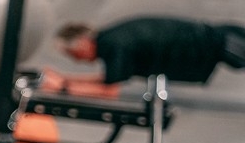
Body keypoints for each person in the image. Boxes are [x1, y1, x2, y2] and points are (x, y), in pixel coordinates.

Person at [44, 17, 245, 96]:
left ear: (83, 43)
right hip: (218, 42)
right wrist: (65, 78)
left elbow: (109, 90)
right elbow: (109, 79)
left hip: (223, 43)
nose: (76, 60)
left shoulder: (114, 45)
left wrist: (62, 88)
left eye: (73, 54)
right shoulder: (110, 39)